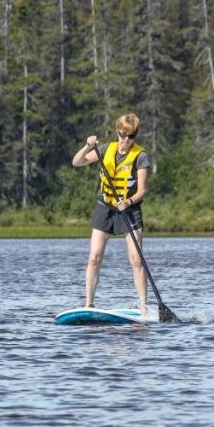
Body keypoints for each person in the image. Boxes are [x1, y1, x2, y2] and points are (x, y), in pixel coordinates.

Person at [71, 113, 151, 315]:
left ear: (135, 136)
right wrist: (88, 146)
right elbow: (77, 162)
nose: (125, 140)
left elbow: (142, 190)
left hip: (129, 209)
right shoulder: (105, 149)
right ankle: (89, 303)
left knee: (136, 260)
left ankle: (143, 307)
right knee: (94, 258)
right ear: (117, 132)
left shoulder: (140, 156)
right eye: (122, 134)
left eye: (130, 136)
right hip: (105, 207)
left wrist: (129, 201)